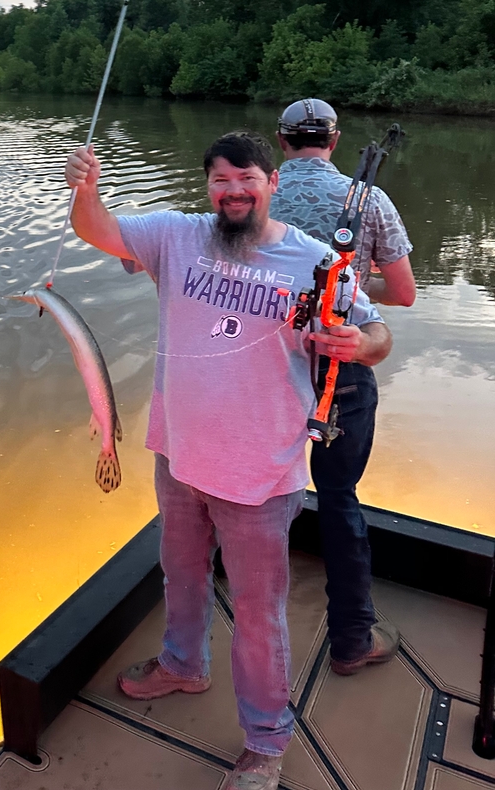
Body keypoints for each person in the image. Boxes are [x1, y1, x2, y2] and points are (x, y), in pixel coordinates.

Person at [64, 131, 391, 790]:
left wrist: (358, 343)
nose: (233, 192)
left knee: (258, 614)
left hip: (260, 475)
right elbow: (97, 230)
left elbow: (381, 334)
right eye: (220, 181)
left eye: (247, 180)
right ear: (207, 187)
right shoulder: (175, 237)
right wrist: (86, 191)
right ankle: (183, 665)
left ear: (273, 184)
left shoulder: (319, 261)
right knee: (179, 577)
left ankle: (266, 743)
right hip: (178, 455)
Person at [270, 98, 415, 677]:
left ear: (281, 142)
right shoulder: (370, 200)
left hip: (266, 365)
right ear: (333, 140)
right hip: (342, 362)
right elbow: (403, 293)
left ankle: (245, 615)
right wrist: (351, 280)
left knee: (255, 487)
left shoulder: (261, 193)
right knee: (337, 497)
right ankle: (353, 638)